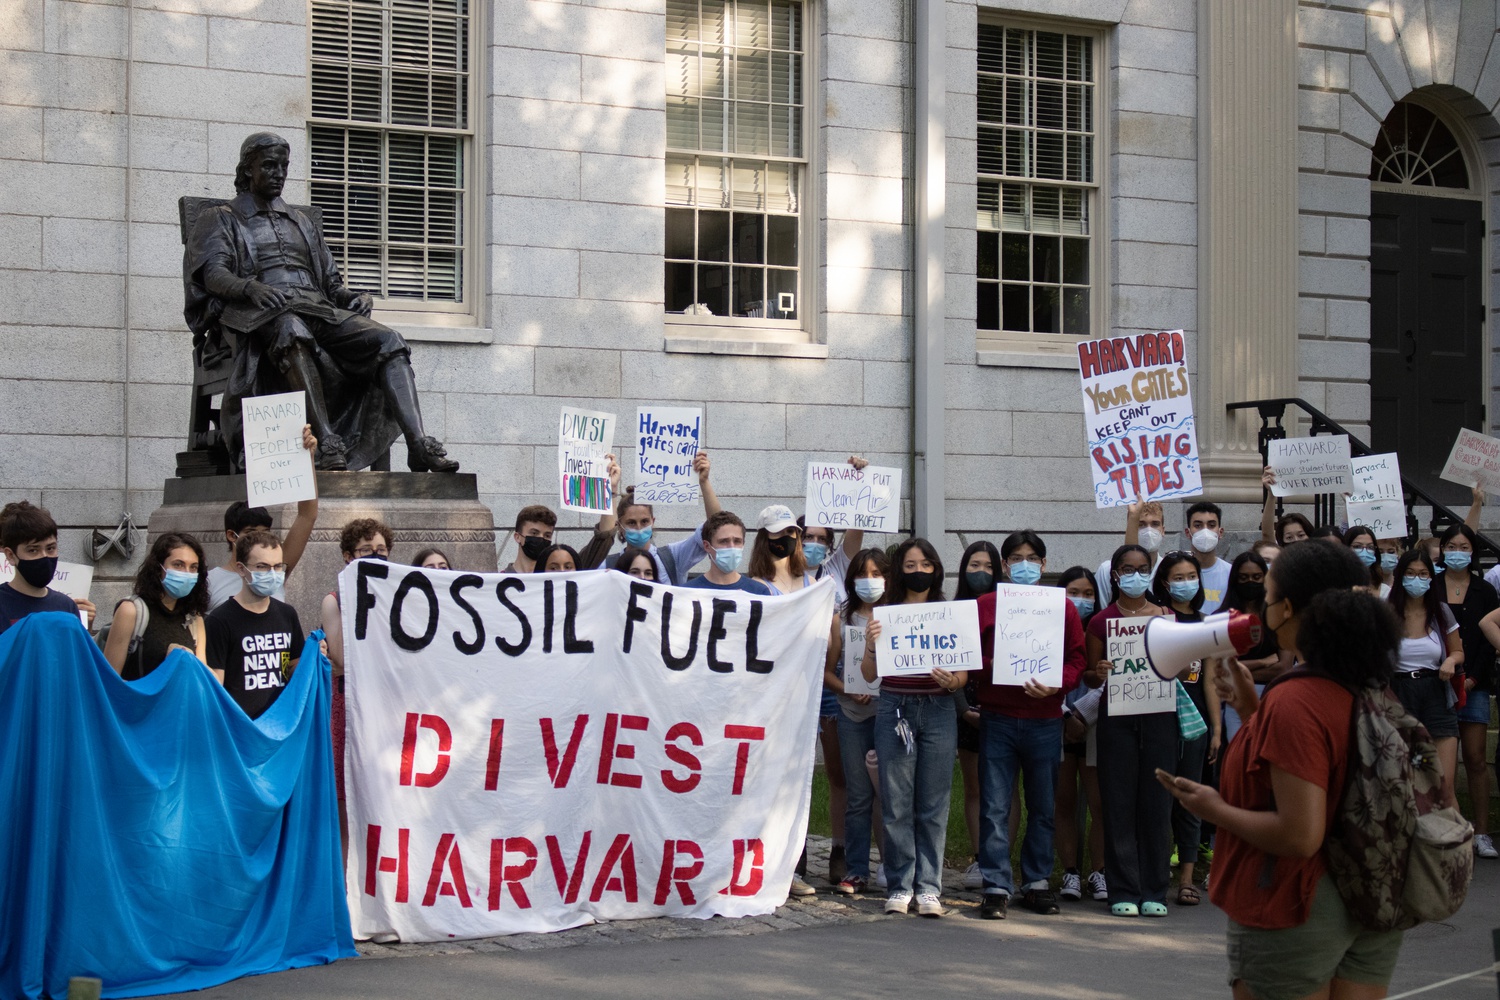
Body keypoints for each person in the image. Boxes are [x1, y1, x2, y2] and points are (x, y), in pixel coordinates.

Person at [1163, 585, 1404, 1000]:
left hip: (1297, 901)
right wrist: (1247, 710)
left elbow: (1299, 834)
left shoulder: (1295, 700)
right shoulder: (1376, 695)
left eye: (1273, 597)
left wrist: (1214, 809)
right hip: (1372, 889)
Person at [185, 132, 458, 473]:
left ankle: (418, 443)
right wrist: (250, 289)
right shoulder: (221, 217)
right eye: (269, 165)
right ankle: (328, 443)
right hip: (263, 313)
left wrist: (351, 297)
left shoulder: (301, 221)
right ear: (246, 171)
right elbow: (213, 275)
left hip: (319, 309)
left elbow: (330, 283)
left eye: (284, 165)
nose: (279, 173)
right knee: (291, 329)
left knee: (390, 341)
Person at [973, 530, 1086, 919]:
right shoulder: (985, 606)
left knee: (1043, 805)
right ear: (1004, 566)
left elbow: (1076, 659)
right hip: (998, 718)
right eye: (1016, 558)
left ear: (1044, 563)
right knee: (994, 806)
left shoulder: (1065, 609)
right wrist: (998, 668)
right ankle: (996, 884)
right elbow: (971, 658)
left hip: (1045, 721)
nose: (1025, 564)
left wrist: (1059, 684)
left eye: (1032, 558)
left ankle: (1037, 881)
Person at [859, 537, 966, 917]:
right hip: (895, 709)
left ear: (935, 569)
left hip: (938, 710)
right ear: (898, 572)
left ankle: (929, 888)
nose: (917, 571)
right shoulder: (885, 613)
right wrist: (872, 645)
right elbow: (870, 675)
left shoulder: (949, 613)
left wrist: (954, 683)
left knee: (934, 802)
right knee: (896, 800)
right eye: (909, 565)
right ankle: (901, 884)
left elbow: (962, 674)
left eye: (924, 564)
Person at [1083, 544, 1173, 917]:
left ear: (1151, 572)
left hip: (1160, 716)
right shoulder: (1101, 622)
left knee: (1157, 803)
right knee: (1118, 802)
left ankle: (1154, 888)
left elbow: (1183, 669)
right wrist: (1099, 672)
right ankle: (1122, 888)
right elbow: (1088, 676)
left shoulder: (1166, 617)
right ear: (1115, 574)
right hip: (1116, 718)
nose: (1135, 574)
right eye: (1127, 568)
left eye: (1143, 568)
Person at [320, 516, 394, 867]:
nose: (377, 556)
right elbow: (340, 660)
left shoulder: (402, 599)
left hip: (389, 705)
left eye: (382, 550)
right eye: (367, 551)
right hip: (349, 706)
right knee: (346, 794)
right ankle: (346, 874)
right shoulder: (335, 601)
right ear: (349, 557)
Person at [1150, 551, 1220, 906]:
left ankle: (1188, 878)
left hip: (1195, 726)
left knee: (1189, 801)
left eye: (1191, 575)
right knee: (1159, 800)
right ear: (1164, 582)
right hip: (1157, 721)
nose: (1186, 583)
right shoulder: (1157, 619)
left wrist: (1217, 729)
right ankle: (1156, 875)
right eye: (1178, 577)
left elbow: (1209, 680)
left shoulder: (1206, 624)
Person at [825, 548, 892, 895]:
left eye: (877, 573)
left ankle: (890, 865)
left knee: (891, 793)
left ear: (888, 578)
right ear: (851, 579)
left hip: (889, 714)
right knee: (858, 795)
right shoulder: (842, 617)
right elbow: (827, 672)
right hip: (852, 716)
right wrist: (849, 692)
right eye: (863, 574)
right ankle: (856, 869)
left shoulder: (897, 616)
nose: (870, 581)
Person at [206, 426, 319, 610]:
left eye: (265, 533)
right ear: (231, 536)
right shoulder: (210, 583)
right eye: (251, 533)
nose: (259, 540)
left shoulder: (276, 571)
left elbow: (307, 515)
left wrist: (307, 458)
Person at [1438, 524, 1499, 858]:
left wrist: (1474, 677)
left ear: (1473, 551)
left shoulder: (1485, 590)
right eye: (1451, 545)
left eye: (1463, 546)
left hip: (1474, 684)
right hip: (1437, 682)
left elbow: (1488, 642)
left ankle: (1482, 831)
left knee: (1475, 758)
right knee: (1438, 760)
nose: (1457, 552)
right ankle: (1446, 828)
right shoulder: (1430, 586)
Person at [206, 528, 306, 718]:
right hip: (240, 728)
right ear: (242, 569)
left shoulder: (287, 614)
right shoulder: (220, 620)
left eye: (278, 566)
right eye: (262, 566)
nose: (273, 573)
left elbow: (294, 668)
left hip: (280, 724)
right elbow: (215, 686)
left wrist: (314, 656)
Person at [1387, 549, 1463, 798]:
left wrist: (1450, 661)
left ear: (1431, 577)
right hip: (1398, 695)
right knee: (1406, 779)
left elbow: (1458, 651)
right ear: (1400, 576)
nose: (1416, 579)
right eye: (1410, 573)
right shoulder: (1387, 612)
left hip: (1436, 693)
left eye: (1422, 574)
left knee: (1443, 783)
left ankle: (1453, 835)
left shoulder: (1440, 611)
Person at [1054, 566, 1107, 903]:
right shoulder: (1048, 629)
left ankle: (1099, 872)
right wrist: (1063, 715)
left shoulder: (1103, 630)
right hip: (1055, 722)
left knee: (1099, 803)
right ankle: (1070, 872)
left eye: (1088, 594)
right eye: (1074, 592)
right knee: (1064, 800)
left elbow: (1111, 680)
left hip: (1095, 723)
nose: (1082, 599)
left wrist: (1083, 715)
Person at [952, 539, 1002, 891]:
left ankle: (1000, 859)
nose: (980, 573)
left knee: (1000, 789)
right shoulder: (952, 610)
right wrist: (964, 709)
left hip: (1002, 705)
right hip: (964, 704)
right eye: (974, 566)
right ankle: (979, 858)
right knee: (974, 787)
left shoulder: (1008, 609)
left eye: (987, 566)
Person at [102, 532, 211, 679]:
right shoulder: (131, 611)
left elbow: (202, 677)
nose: (186, 573)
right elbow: (109, 679)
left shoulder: (194, 618)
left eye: (193, 567)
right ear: (159, 568)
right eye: (178, 565)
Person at [605, 452, 721, 583]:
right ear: (619, 526)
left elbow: (716, 528)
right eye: (631, 523)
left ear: (652, 522)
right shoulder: (607, 565)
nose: (639, 528)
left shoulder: (673, 558)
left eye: (644, 521)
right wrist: (611, 490)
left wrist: (704, 481)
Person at [1220, 551, 1290, 743]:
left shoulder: (1278, 615)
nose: (1250, 582)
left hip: (1274, 698)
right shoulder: (1223, 618)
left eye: (1256, 577)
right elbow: (1221, 670)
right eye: (1243, 578)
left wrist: (1239, 668)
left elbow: (1283, 668)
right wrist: (1263, 662)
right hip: (1235, 702)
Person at [0, 501, 96, 634]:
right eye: (33, 550)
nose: (44, 556)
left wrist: (86, 630)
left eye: (50, 548)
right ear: (10, 555)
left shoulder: (66, 606)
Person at [1096, 496, 1165, 607]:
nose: (1148, 530)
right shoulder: (1106, 570)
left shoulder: (1167, 569)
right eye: (1140, 524)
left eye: (1155, 524)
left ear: (1163, 530)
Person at [683, 512, 771, 595]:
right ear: (707, 546)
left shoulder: (759, 592)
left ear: (743, 543)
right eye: (724, 541)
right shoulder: (688, 593)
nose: (731, 547)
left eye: (737, 541)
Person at [1183, 501, 1231, 613]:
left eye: (1211, 525)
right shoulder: (1176, 572)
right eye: (1198, 525)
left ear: (1220, 532)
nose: (1205, 531)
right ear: (1187, 532)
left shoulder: (1231, 573)